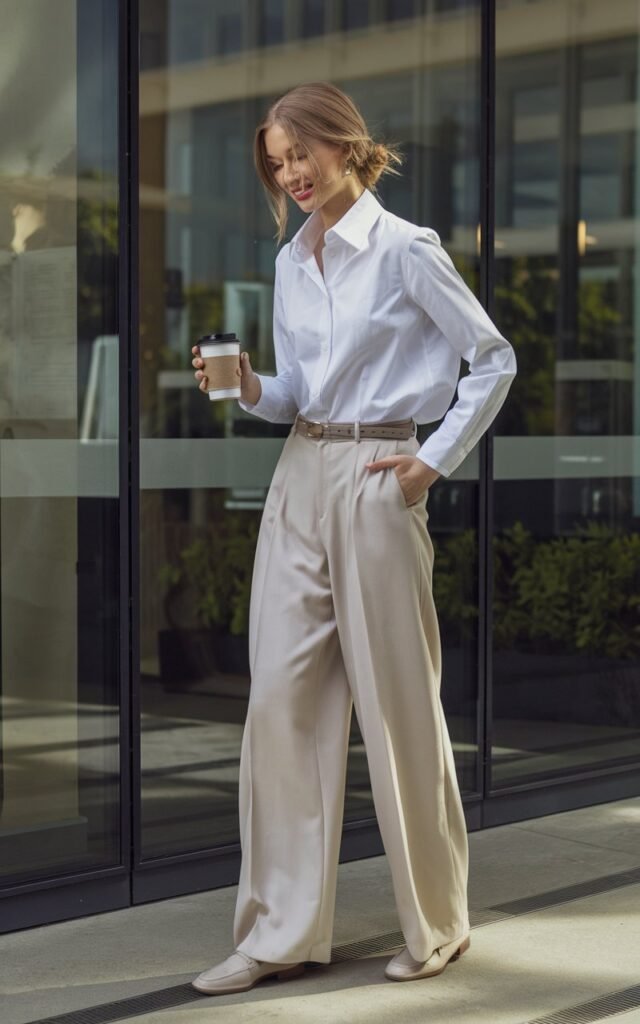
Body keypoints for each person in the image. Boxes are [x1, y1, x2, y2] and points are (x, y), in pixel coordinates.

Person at [190, 81, 517, 997]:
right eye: (276, 160)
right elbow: (300, 392)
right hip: (300, 475)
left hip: (381, 476)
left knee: (397, 703)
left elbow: (492, 359)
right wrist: (251, 385)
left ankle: (440, 923)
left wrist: (429, 465)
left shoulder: (407, 250)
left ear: (344, 145)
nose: (289, 173)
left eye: (301, 153)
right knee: (281, 707)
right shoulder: (296, 259)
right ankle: (279, 934)